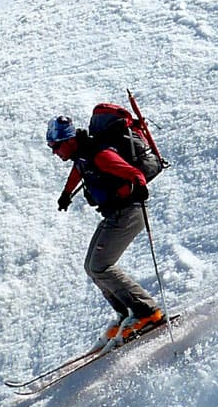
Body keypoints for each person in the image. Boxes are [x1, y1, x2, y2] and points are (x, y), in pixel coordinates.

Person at [47, 114, 166, 342]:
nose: (54, 151)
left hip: (129, 212)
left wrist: (140, 186)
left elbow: (135, 174)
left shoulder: (99, 154)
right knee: (91, 267)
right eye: (52, 147)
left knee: (100, 266)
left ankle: (147, 312)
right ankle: (126, 313)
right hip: (115, 213)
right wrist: (66, 194)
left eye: (56, 146)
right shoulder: (82, 156)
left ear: (70, 140)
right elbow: (78, 171)